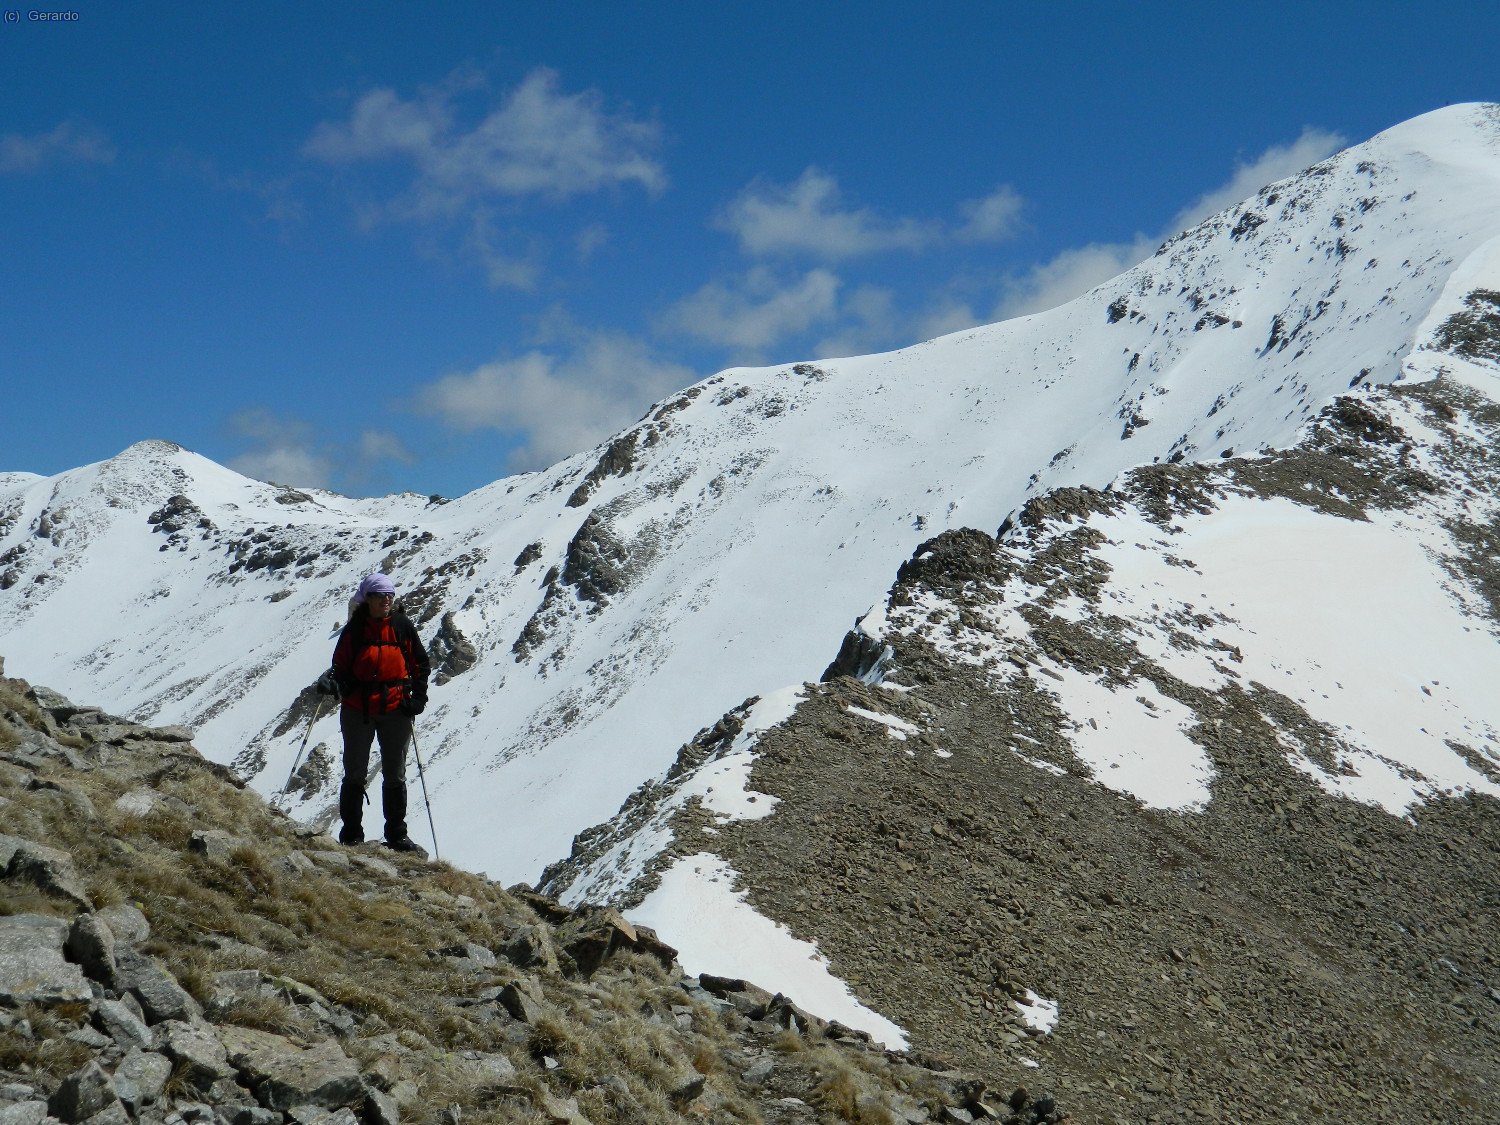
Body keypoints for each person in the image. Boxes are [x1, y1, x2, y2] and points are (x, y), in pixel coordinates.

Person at [316, 573, 430, 855]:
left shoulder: (402, 626)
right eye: (380, 596)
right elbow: (340, 666)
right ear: (367, 599)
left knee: (395, 773)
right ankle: (352, 835)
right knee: (355, 772)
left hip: (395, 708)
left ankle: (396, 834)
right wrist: (333, 683)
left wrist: (419, 698)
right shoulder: (355, 629)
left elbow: (420, 664)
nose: (386, 600)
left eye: (389, 595)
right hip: (359, 708)